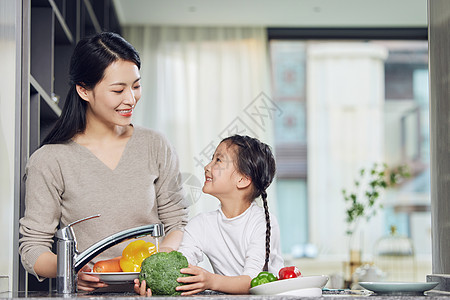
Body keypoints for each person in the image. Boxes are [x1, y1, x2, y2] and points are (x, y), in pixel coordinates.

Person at [18, 32, 189, 292]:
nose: (131, 99)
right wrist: (72, 268)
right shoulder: (50, 160)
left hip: (151, 294)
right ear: (84, 90)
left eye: (136, 86)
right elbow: (32, 248)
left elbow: (177, 223)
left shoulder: (155, 145)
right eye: (118, 90)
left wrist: (156, 265)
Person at [135, 135, 284, 296]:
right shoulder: (201, 224)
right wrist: (153, 282)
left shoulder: (261, 222)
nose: (207, 166)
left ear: (242, 179)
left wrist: (211, 281)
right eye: (211, 159)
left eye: (218, 160)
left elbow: (253, 282)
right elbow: (182, 265)